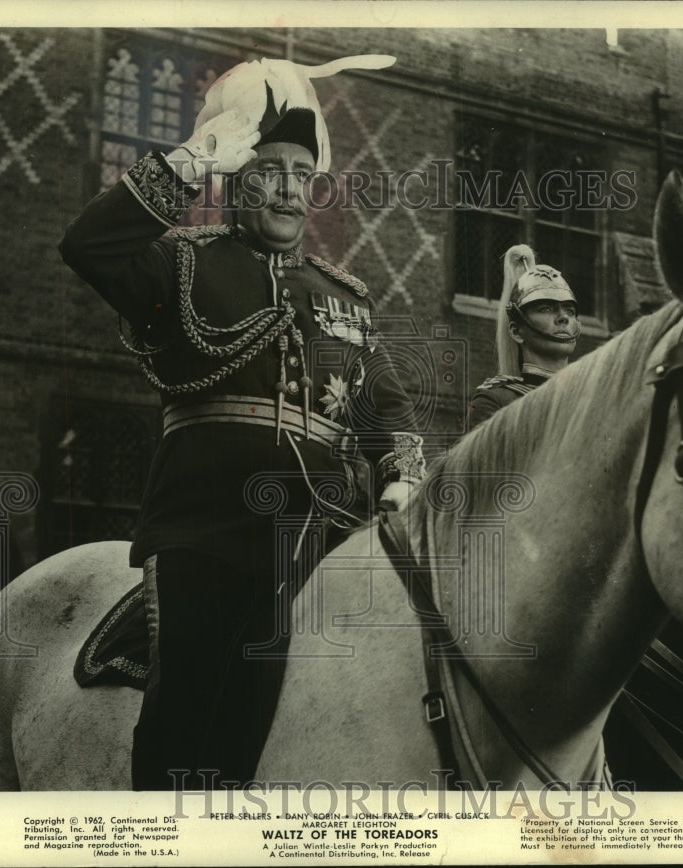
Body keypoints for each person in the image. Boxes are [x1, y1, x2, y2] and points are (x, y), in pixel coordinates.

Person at [59, 55, 426, 790]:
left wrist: (400, 477)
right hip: (207, 532)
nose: (290, 187)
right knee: (194, 707)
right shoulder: (179, 265)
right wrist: (191, 159)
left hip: (321, 537)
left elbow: (387, 405)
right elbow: (87, 245)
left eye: (301, 170)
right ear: (233, 175)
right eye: (268, 168)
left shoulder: (344, 297)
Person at [467, 245, 580, 428]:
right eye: (546, 309)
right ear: (517, 332)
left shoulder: (590, 397)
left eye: (570, 310)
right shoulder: (495, 400)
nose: (563, 317)